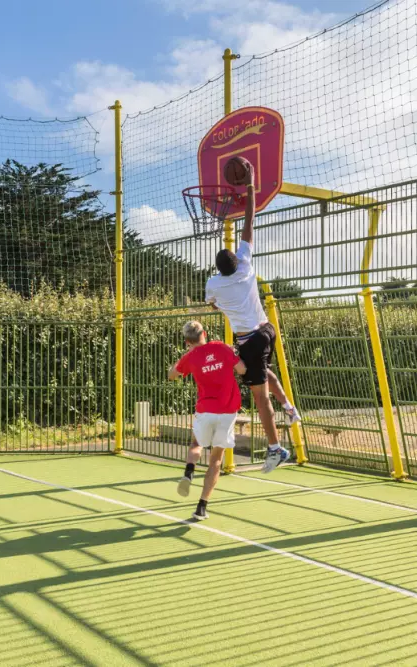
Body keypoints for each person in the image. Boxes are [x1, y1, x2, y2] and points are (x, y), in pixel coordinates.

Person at [205, 158, 301, 474]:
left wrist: (222, 306)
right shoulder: (246, 264)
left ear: (218, 269)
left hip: (249, 339)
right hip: (267, 330)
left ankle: (276, 449)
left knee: (260, 400)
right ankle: (290, 407)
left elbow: (212, 305)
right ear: (236, 258)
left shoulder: (213, 284)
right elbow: (248, 222)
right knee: (265, 372)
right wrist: (249, 184)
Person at [168, 320, 246, 521]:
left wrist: (179, 363)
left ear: (187, 341)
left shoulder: (190, 357)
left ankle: (189, 471)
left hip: (205, 409)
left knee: (196, 444)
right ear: (205, 333)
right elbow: (243, 370)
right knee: (216, 460)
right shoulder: (221, 347)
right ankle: (202, 506)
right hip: (227, 410)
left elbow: (171, 375)